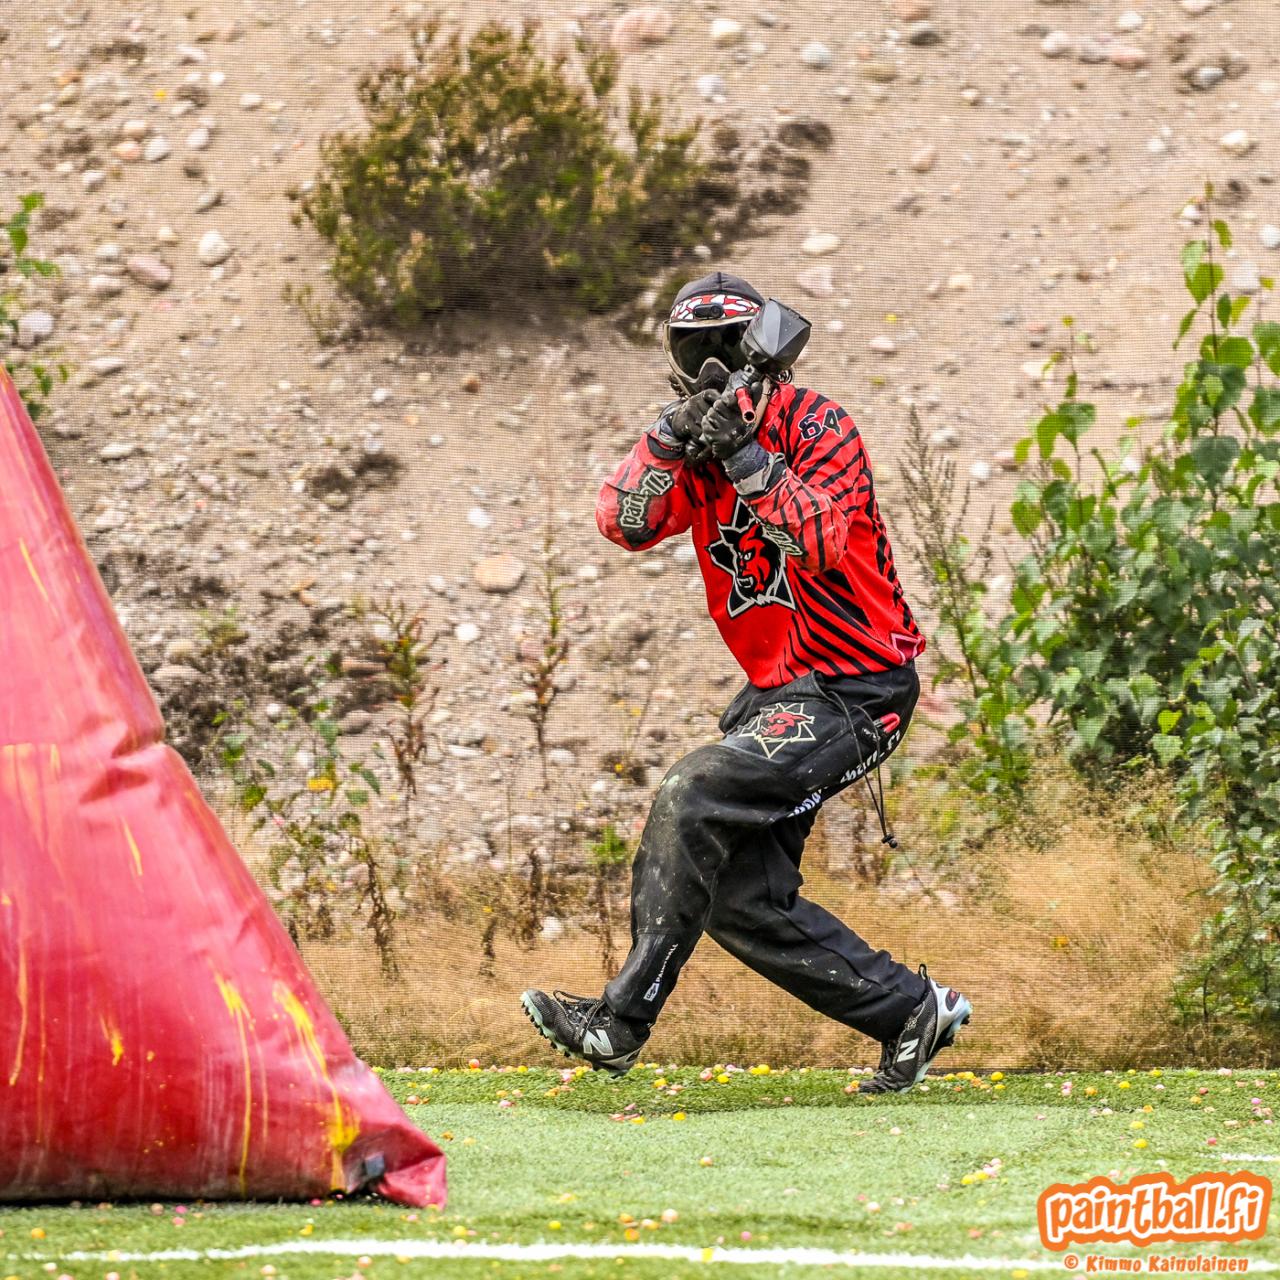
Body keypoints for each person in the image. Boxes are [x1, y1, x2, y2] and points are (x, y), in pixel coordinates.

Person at [521, 271, 970, 1094]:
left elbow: (823, 541)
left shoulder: (820, 425)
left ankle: (620, 1024)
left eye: (726, 347)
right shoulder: (694, 449)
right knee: (737, 896)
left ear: (762, 351)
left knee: (692, 792)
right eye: (694, 351)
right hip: (781, 693)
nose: (712, 366)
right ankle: (910, 1012)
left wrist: (748, 456)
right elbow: (622, 522)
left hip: (857, 686)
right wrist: (670, 435)